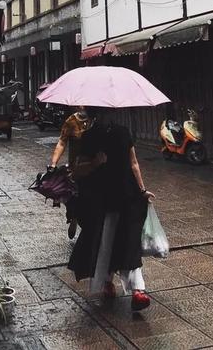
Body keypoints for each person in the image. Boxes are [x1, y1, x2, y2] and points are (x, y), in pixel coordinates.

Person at [68, 108, 155, 311]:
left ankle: (138, 290)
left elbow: (134, 163)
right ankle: (107, 280)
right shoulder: (88, 138)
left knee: (129, 242)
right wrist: (95, 163)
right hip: (101, 198)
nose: (107, 117)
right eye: (102, 113)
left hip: (126, 195)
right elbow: (77, 171)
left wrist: (142, 190)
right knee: (106, 241)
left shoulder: (123, 132)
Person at [48, 106, 91, 239]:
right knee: (73, 197)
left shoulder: (96, 120)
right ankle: (74, 217)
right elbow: (62, 142)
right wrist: (54, 163)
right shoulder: (71, 121)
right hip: (75, 168)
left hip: (93, 166)